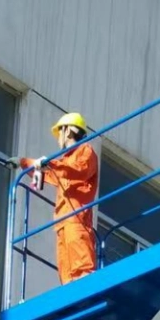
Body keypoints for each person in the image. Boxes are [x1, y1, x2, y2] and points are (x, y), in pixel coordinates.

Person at [19, 110, 100, 283]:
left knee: (83, 270)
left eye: (59, 133)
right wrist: (23, 162)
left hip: (76, 219)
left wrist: (50, 164)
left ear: (68, 130)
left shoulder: (85, 151)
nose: (58, 139)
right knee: (66, 274)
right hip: (62, 221)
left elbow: (78, 170)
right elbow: (52, 174)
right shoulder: (64, 160)